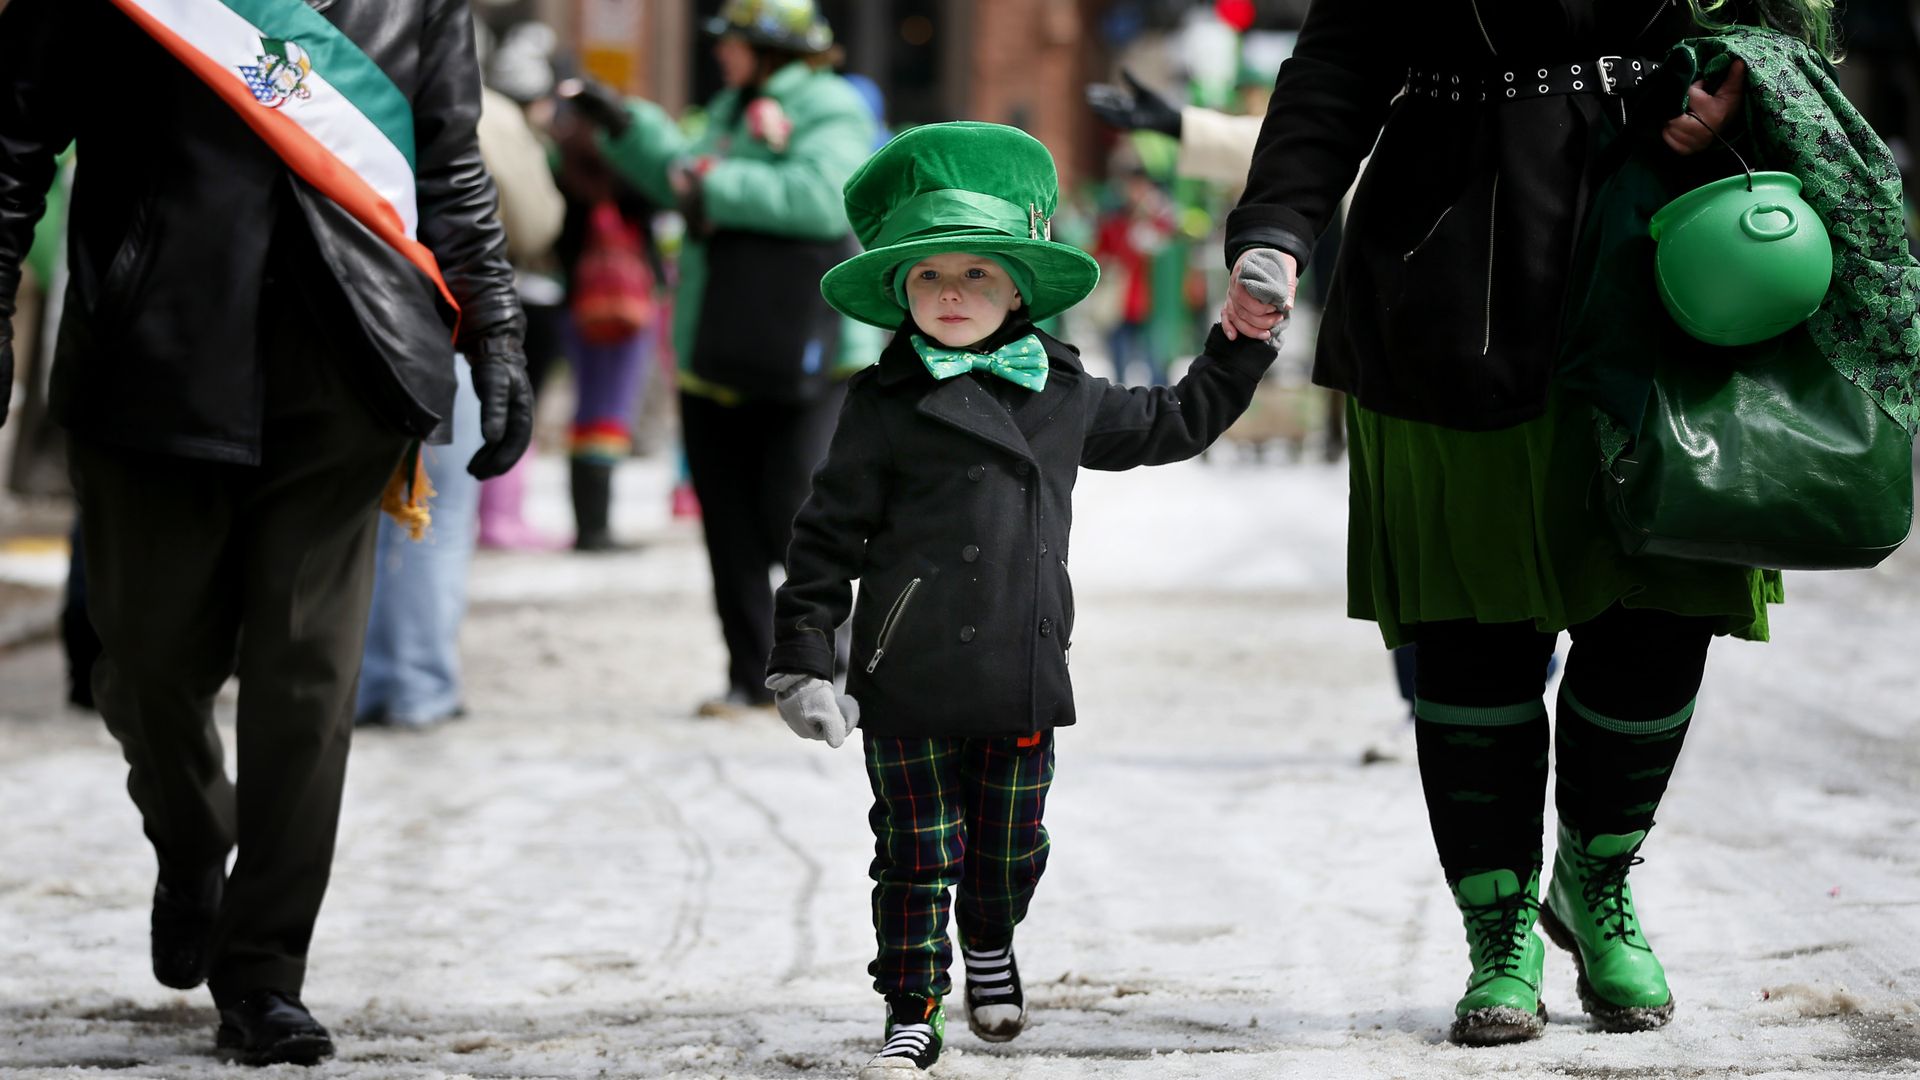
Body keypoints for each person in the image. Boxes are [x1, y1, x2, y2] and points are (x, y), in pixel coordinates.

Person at [1221, 0, 1843, 1048]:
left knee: (1659, 609)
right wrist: (1278, 228)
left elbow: (1785, 19)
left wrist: (1741, 74)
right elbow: (1336, 66)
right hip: (1446, 269)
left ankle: (1596, 881)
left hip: (1671, 262)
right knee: (1472, 622)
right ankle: (1497, 927)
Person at [0, 0, 531, 1064]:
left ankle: (265, 973)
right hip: (152, 357)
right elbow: (15, 138)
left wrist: (498, 330)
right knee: (144, 666)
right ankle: (193, 838)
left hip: (349, 367)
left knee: (305, 684)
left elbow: (448, 166)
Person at [764, 122, 1278, 1080]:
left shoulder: (1063, 393)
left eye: (975, 274)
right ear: (900, 290)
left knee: (1009, 847)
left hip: (1023, 668)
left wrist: (1239, 348)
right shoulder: (879, 404)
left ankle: (992, 938)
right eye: (928, 277)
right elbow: (824, 537)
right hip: (905, 674)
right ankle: (911, 1004)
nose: (950, 294)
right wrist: (803, 653)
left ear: (1018, 288)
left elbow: (1173, 422)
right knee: (914, 855)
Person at [567, 0, 876, 714]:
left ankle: (833, 664)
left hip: (808, 351)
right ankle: (751, 675)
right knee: (727, 525)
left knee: (792, 517)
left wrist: (710, 187)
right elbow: (677, 167)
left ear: (772, 48)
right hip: (720, 348)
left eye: (733, 42)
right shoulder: (734, 109)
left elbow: (824, 198)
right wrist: (625, 124)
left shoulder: (831, 106)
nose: (720, 54)